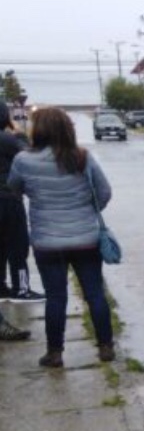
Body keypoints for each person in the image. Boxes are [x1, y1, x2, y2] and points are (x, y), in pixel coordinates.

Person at [7, 107, 116, 368]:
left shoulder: (23, 160)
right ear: (68, 129)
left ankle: (54, 353)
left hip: (47, 242)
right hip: (86, 240)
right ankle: (106, 347)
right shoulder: (82, 158)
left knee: (56, 297)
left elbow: (14, 188)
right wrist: (88, 212)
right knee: (95, 294)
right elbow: (104, 192)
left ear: (38, 130)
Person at [0, 100, 44, 303]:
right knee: (17, 246)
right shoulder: (8, 140)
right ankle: (21, 288)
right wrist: (19, 133)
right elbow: (30, 155)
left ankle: (1, 286)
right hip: (8, 199)